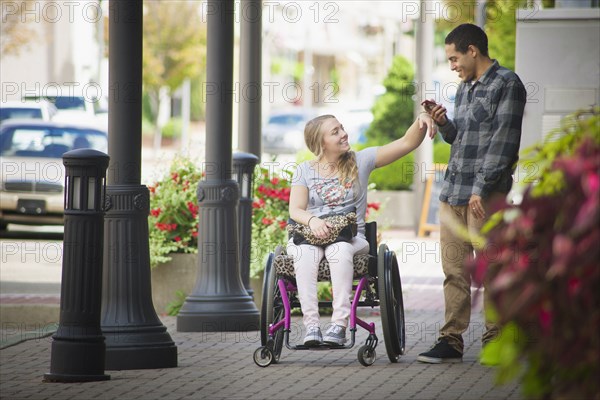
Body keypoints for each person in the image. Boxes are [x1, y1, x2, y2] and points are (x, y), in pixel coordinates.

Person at [417, 23, 527, 363]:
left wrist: (481, 188)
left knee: (491, 269)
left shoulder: (507, 84)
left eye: (454, 58)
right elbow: (460, 140)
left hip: (485, 196)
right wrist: (445, 123)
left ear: (473, 51)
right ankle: (451, 341)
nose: (452, 66)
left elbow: (503, 144)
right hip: (453, 193)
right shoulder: (465, 88)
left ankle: (496, 340)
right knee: (455, 271)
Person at [288, 112, 435, 346]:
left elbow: (406, 143)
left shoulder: (361, 160)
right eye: (335, 132)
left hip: (350, 238)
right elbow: (295, 210)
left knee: (338, 251)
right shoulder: (304, 170)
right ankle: (312, 327)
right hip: (310, 237)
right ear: (320, 143)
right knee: (305, 255)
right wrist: (313, 222)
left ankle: (339, 325)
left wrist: (421, 118)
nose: (344, 133)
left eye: (342, 128)